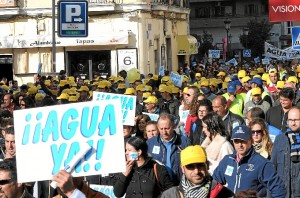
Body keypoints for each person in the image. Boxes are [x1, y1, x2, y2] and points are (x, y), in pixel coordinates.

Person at [213, 125, 286, 197]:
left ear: (251, 141)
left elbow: (279, 189)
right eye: (236, 141)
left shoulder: (261, 163)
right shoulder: (227, 160)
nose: (240, 145)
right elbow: (214, 183)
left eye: (243, 141)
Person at [160, 145, 234, 198]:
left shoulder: (224, 194)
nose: (196, 171)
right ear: (182, 168)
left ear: (207, 165)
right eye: (190, 167)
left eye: (200, 165)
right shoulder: (169, 195)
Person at [147, 113, 190, 185]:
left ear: (173, 126)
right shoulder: (150, 143)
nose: (164, 132)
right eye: (161, 129)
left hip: (179, 183)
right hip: (159, 184)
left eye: (167, 128)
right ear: (158, 127)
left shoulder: (184, 141)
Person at [271, 106, 300, 197]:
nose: (293, 123)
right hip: (283, 193)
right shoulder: (280, 139)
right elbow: (273, 166)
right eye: (290, 120)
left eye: (296, 120)